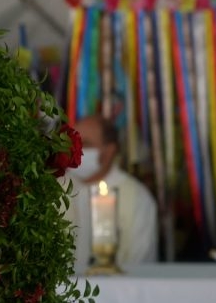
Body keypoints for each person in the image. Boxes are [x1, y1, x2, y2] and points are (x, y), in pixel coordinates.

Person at [64, 114, 158, 273]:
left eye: (84, 144)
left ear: (109, 151)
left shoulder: (137, 198)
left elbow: (140, 262)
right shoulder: (53, 189)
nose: (74, 150)